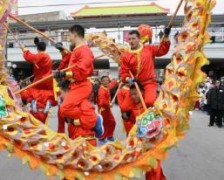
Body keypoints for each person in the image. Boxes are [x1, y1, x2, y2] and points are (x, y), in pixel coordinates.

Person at [54, 25, 99, 145]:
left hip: (81, 85)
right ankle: (86, 118)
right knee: (63, 110)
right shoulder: (77, 50)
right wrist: (62, 50)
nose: (68, 38)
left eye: (69, 35)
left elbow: (82, 70)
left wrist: (65, 74)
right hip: (76, 85)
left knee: (64, 109)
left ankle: (90, 118)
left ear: (74, 34)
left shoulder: (84, 50)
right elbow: (70, 61)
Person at [119, 27, 171, 108]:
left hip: (149, 83)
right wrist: (129, 79)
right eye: (129, 39)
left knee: (149, 102)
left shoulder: (149, 49)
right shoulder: (126, 56)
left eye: (133, 38)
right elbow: (123, 72)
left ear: (139, 39)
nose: (131, 41)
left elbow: (162, 50)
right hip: (136, 84)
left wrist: (166, 36)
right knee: (125, 107)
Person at [129, 84, 166, 180]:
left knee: (153, 166)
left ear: (142, 92)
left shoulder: (150, 104)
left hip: (153, 141)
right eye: (131, 94)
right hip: (141, 142)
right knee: (151, 166)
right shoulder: (132, 108)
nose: (133, 96)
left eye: (135, 94)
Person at [21, 37, 56, 123]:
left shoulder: (42, 55)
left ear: (38, 49)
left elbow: (30, 57)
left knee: (33, 92)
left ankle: (34, 103)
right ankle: (45, 104)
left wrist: (25, 50)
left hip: (41, 79)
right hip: (48, 79)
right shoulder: (48, 56)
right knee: (47, 94)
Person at [97, 76, 116, 144]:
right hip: (103, 110)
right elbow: (102, 102)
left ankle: (109, 136)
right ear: (101, 82)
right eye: (104, 80)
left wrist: (117, 81)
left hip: (107, 109)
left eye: (107, 80)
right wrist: (109, 104)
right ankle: (102, 138)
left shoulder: (106, 87)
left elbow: (112, 84)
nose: (106, 81)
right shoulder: (101, 90)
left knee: (112, 122)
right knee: (104, 124)